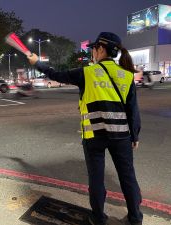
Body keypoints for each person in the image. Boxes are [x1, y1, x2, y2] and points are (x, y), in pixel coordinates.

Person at [27, 32, 143, 225]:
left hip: (93, 136)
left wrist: (37, 62)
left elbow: (56, 75)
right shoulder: (127, 75)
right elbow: (133, 109)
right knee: (128, 177)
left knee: (96, 179)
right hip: (121, 136)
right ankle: (135, 218)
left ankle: (98, 218)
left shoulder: (87, 73)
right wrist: (135, 135)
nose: (93, 53)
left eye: (94, 49)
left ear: (101, 49)